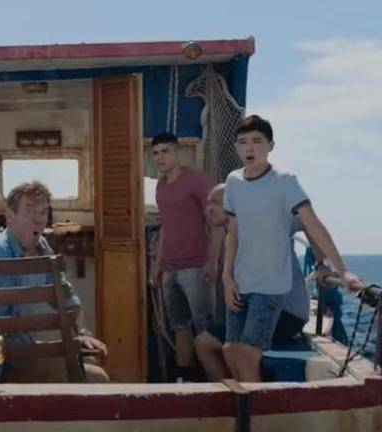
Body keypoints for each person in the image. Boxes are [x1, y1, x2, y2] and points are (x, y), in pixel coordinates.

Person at [221, 115, 362, 382]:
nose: (249, 148)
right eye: (243, 142)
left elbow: (313, 225)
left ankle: (253, 407)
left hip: (271, 284)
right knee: (230, 350)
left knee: (249, 353)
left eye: (257, 141)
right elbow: (232, 233)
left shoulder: (284, 180)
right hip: (240, 282)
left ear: (270, 146)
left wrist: (342, 271)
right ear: (236, 147)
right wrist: (226, 277)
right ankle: (246, 401)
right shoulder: (233, 182)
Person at [0, 181, 109, 383]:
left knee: (93, 368)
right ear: (10, 217)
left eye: (43, 213)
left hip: (22, 352)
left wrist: (81, 332)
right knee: (95, 378)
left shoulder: (43, 250)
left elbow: (67, 298)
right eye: (30, 212)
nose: (38, 220)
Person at [195, 184, 316, 381]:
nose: (208, 209)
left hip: (285, 312)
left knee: (238, 351)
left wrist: (322, 264)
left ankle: (251, 396)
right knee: (206, 343)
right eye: (208, 203)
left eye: (215, 203)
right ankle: (235, 394)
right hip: (255, 308)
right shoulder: (233, 234)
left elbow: (304, 222)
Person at [151, 132, 221, 380]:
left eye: (165, 151)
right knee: (179, 326)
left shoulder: (198, 181)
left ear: (177, 152)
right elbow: (166, 227)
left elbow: (216, 222)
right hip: (170, 269)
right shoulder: (160, 187)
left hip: (196, 267)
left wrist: (212, 261)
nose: (160, 158)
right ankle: (185, 380)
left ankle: (212, 381)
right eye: (156, 153)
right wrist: (158, 266)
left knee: (204, 328)